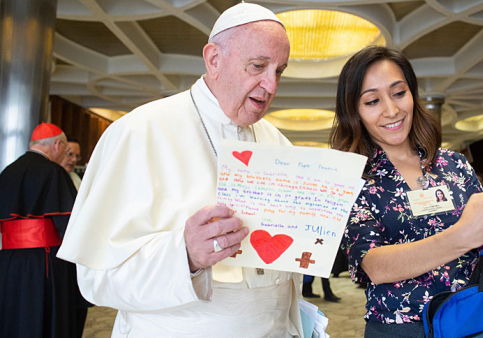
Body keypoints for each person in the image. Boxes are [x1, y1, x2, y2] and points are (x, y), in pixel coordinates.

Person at [57, 3, 305, 337]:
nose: (271, 85)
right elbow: (95, 278)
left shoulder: (279, 144)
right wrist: (184, 255)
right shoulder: (138, 132)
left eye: (279, 71)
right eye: (258, 66)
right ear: (214, 59)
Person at [329, 45, 483, 337]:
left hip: (473, 321)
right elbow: (375, 265)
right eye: (372, 101)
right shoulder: (351, 177)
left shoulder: (454, 165)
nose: (391, 110)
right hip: (402, 330)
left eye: (399, 93)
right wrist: (467, 233)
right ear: (354, 111)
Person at [0, 122, 82, 338]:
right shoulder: (54, 173)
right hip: (45, 264)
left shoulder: (7, 171)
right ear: (57, 145)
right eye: (65, 150)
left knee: (12, 315)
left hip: (8, 261)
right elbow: (70, 225)